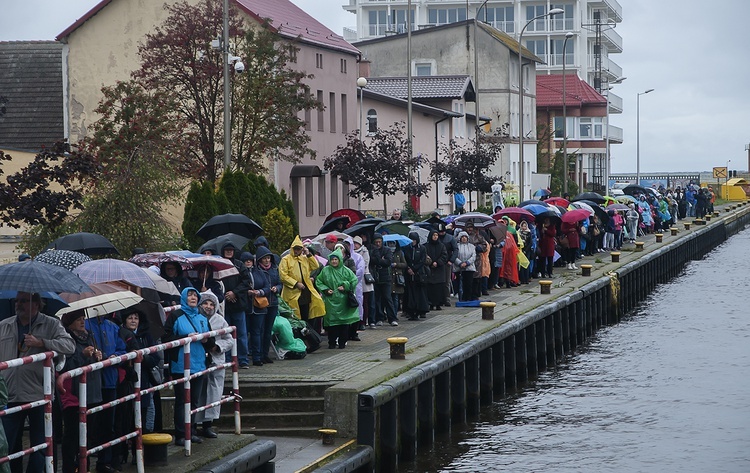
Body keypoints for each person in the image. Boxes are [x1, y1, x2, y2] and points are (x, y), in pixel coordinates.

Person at [0, 293, 75, 473]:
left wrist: (42, 342)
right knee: (7, 445)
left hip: (39, 393)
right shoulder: (5, 325)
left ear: (36, 303)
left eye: (24, 301)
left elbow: (69, 346)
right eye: (16, 300)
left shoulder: (51, 324)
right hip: (9, 393)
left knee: (41, 445)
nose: (19, 305)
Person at [163, 287, 210, 446]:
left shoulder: (202, 316)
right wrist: (185, 337)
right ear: (184, 298)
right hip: (181, 365)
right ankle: (181, 434)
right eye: (189, 295)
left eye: (195, 295)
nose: (193, 298)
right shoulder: (175, 316)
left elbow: (211, 340)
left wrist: (206, 340)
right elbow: (166, 338)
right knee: (182, 400)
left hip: (199, 363)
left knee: (194, 400)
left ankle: (192, 430)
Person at [58, 311, 103, 473]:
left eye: (83, 319)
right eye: (78, 320)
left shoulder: (89, 336)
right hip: (72, 395)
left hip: (92, 392)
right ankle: (70, 468)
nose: (82, 322)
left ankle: (84, 467)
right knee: (72, 436)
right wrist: (82, 356)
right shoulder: (66, 340)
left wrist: (98, 356)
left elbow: (94, 361)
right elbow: (65, 366)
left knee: (87, 435)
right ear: (69, 323)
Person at [85, 313, 127, 473]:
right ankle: (85, 463)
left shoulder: (113, 327)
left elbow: (122, 349)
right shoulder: (86, 326)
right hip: (92, 382)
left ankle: (105, 461)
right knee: (89, 425)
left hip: (110, 381)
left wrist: (116, 356)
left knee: (108, 425)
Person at [194, 292, 233, 439]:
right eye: (205, 303)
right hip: (199, 359)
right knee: (198, 392)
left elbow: (229, 340)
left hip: (215, 359)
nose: (208, 307)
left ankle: (208, 425)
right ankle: (194, 425)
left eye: (211, 304)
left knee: (213, 392)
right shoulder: (195, 319)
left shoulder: (220, 320)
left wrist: (217, 346)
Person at [279, 236, 325, 334]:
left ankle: (308, 339)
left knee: (306, 316)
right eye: (295, 248)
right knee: (295, 318)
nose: (296, 251)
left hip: (305, 293)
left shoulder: (304, 259)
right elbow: (283, 275)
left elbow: (315, 266)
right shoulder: (286, 259)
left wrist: (308, 254)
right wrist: (295, 284)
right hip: (292, 294)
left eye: (299, 249)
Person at [314, 249, 360, 349]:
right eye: (332, 259)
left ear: (340, 260)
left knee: (343, 324)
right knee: (331, 324)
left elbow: (354, 280)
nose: (334, 261)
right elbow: (319, 281)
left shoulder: (346, 270)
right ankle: (332, 342)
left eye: (336, 259)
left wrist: (345, 286)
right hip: (330, 301)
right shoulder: (325, 270)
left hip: (343, 302)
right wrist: (325, 290)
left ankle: (342, 342)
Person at [220, 242, 250, 368]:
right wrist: (226, 295)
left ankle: (243, 360)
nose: (228, 252)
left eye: (231, 250)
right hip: (224, 306)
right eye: (226, 250)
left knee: (241, 334)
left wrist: (235, 293)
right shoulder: (219, 265)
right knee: (225, 335)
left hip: (238, 305)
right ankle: (227, 359)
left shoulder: (239, 264)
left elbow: (247, 281)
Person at [256, 246, 282, 364]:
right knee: (260, 330)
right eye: (264, 259)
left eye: (268, 258)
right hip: (261, 304)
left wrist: (277, 288)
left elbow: (280, 284)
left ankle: (265, 354)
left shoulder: (274, 269)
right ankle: (258, 354)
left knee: (268, 331)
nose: (267, 261)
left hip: (273, 303)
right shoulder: (257, 271)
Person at [243, 253, 271, 367]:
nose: (248, 262)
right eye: (246, 261)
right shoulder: (241, 273)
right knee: (244, 333)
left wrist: (259, 292)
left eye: (250, 260)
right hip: (246, 307)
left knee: (257, 333)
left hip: (259, 307)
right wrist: (247, 292)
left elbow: (266, 286)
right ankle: (244, 358)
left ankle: (257, 357)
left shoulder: (259, 272)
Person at [369, 233, 398, 325]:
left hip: (386, 278)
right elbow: (371, 260)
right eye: (376, 242)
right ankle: (379, 318)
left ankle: (392, 318)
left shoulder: (387, 250)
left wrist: (378, 261)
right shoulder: (372, 250)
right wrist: (380, 260)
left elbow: (388, 262)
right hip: (376, 278)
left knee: (387, 298)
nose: (378, 244)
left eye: (379, 242)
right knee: (377, 300)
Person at [403, 232, 430, 319]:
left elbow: (422, 260)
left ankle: (422, 310)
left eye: (414, 240)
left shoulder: (422, 248)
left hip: (419, 274)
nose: (413, 242)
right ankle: (411, 311)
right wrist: (408, 268)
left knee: (420, 293)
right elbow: (405, 260)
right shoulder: (406, 248)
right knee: (410, 293)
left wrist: (414, 269)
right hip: (409, 274)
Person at [424, 230, 448, 310]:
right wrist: (430, 263)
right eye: (433, 235)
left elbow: (444, 256)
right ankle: (430, 303)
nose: (435, 237)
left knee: (439, 288)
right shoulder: (426, 246)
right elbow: (424, 256)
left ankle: (438, 304)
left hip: (439, 270)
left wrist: (438, 262)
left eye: (436, 235)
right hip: (429, 269)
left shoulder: (441, 246)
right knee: (430, 288)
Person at [453, 231, 476, 301]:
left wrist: (467, 263)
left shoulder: (472, 246)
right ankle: (461, 298)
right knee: (460, 284)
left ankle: (468, 298)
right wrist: (460, 263)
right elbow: (454, 256)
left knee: (468, 284)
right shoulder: (456, 246)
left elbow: (473, 256)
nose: (464, 238)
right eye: (462, 237)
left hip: (469, 268)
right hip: (459, 268)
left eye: (465, 237)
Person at [388, 240, 407, 319]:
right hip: (389, 277)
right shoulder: (386, 252)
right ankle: (390, 315)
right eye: (390, 243)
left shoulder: (399, 253)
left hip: (397, 278)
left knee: (395, 298)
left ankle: (394, 314)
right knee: (389, 298)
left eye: (393, 243)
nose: (391, 245)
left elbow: (404, 264)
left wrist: (396, 264)